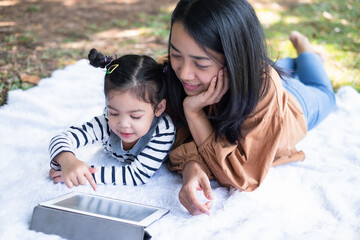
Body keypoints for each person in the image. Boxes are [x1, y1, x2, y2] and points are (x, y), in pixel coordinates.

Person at [164, 0, 336, 215]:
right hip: (259, 75)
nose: (183, 73)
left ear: (235, 60)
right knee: (274, 69)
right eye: (176, 54)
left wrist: (194, 112)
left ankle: (305, 49)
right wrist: (192, 164)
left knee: (324, 93)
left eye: (201, 64)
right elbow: (170, 134)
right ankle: (291, 63)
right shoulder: (173, 71)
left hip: (291, 104)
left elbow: (242, 175)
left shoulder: (263, 87)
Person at [49, 49, 175, 191]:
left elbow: (137, 175)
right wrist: (68, 161)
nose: (123, 124)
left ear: (158, 108)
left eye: (135, 116)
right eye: (114, 112)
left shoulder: (163, 131)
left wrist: (84, 174)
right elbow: (60, 138)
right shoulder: (106, 123)